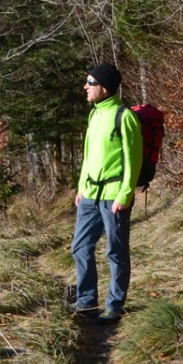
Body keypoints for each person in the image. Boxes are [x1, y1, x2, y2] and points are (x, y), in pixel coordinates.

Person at [72, 62, 142, 323]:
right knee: (80, 247)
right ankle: (86, 301)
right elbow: (88, 155)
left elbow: (133, 160)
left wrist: (125, 194)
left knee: (115, 250)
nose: (85, 87)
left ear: (105, 88)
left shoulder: (124, 116)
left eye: (90, 83)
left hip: (114, 195)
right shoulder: (94, 114)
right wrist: (81, 187)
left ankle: (114, 305)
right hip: (90, 194)